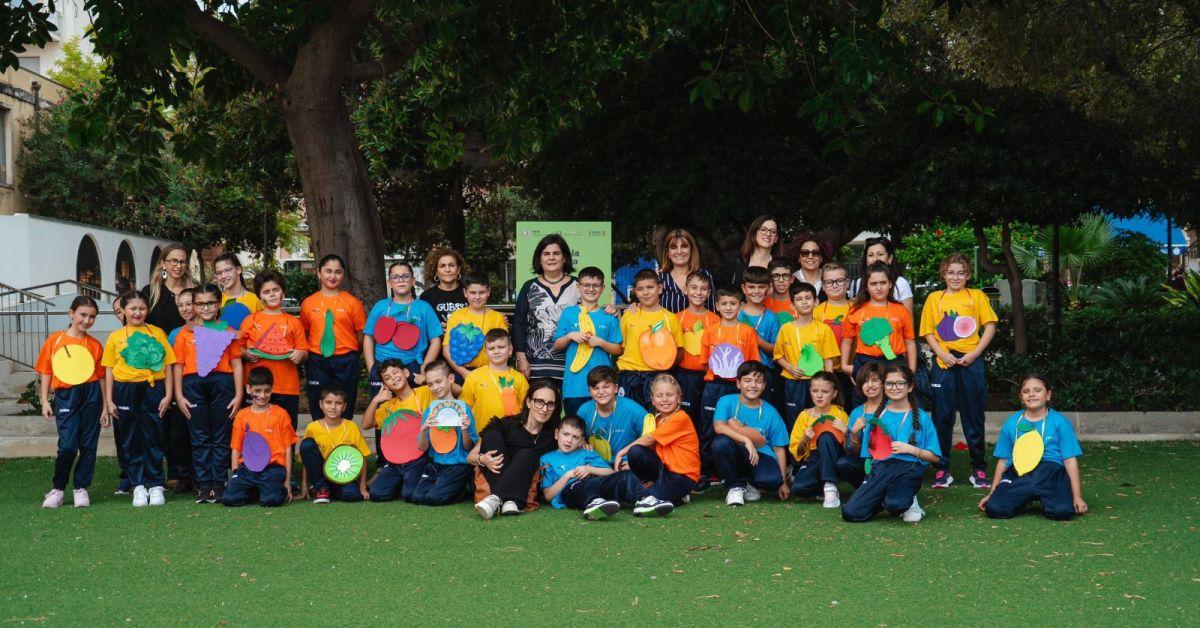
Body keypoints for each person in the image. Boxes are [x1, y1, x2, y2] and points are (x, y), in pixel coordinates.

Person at [920, 252, 999, 490]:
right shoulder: (934, 298)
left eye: (961, 273)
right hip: (944, 364)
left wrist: (974, 354)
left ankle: (979, 469)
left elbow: (990, 326)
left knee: (973, 416)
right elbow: (928, 332)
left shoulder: (977, 296)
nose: (955, 277)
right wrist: (942, 354)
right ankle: (942, 469)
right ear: (944, 274)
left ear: (968, 275)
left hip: (971, 362)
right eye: (951, 272)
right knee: (942, 417)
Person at [102, 290, 177, 507]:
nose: (137, 312)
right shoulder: (115, 337)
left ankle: (155, 484)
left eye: (142, 308)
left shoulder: (158, 333)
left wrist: (169, 394)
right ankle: (138, 485)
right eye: (132, 308)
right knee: (130, 438)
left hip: (154, 389)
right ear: (123, 311)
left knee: (153, 435)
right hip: (124, 389)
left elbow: (169, 365)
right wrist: (109, 400)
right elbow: (108, 370)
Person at [841, 365, 941, 523]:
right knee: (850, 513)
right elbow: (867, 455)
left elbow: (935, 457)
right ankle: (885, 497)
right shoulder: (876, 417)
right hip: (881, 468)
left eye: (900, 383)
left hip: (909, 468)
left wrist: (913, 450)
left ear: (910, 387)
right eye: (889, 383)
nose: (894, 387)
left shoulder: (921, 417)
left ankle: (907, 499)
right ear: (884, 386)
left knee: (896, 505)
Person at [979, 374, 1087, 521]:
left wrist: (1077, 497)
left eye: (1037, 390)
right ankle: (1025, 500)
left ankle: (1045, 499)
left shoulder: (1060, 422)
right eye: (1026, 391)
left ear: (1048, 395)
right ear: (1021, 397)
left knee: (1063, 512)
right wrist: (992, 493)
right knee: (994, 508)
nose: (1031, 394)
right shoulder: (1012, 423)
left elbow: (1069, 460)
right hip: (1019, 471)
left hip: (1051, 472)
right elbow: (1003, 461)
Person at [173, 284, 244, 504]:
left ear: (218, 304)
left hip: (222, 384)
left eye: (211, 303)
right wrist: (178, 395)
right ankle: (203, 485)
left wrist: (239, 394)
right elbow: (178, 366)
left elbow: (237, 364)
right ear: (194, 306)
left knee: (221, 436)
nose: (206, 307)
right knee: (200, 437)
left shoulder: (228, 331)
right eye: (201, 303)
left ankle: (218, 483)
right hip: (193, 385)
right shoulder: (185, 334)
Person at [37, 296, 107, 508]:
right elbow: (46, 371)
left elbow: (102, 376)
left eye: (92, 317)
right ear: (71, 313)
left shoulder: (94, 345)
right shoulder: (55, 340)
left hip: (91, 394)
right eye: (83, 315)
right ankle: (58, 489)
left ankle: (80, 487)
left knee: (88, 444)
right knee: (68, 445)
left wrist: (104, 406)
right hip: (66, 395)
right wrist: (44, 400)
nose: (87, 320)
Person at [471, 380, 561, 519]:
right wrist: (482, 459)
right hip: (496, 475)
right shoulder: (507, 424)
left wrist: (584, 443)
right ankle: (509, 501)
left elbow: (572, 439)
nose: (544, 409)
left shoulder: (554, 435)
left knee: (527, 454)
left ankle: (495, 498)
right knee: (492, 435)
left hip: (526, 485)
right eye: (539, 402)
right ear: (528, 402)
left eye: (550, 404)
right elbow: (470, 457)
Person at [613, 374, 699, 516]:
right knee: (636, 452)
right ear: (652, 400)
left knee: (641, 498)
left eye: (670, 395)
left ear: (678, 398)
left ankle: (665, 495)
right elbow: (648, 450)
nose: (664, 399)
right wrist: (632, 463)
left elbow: (649, 439)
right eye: (659, 396)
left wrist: (622, 452)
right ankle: (667, 495)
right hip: (663, 471)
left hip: (683, 476)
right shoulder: (657, 419)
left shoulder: (681, 417)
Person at [698, 286, 760, 485]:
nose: (728, 307)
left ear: (740, 306)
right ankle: (708, 470)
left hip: (737, 387)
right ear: (716, 306)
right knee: (709, 426)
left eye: (733, 304)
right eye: (724, 303)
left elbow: (752, 363)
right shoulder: (710, 332)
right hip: (714, 386)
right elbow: (705, 362)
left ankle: (740, 468)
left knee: (737, 425)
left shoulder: (748, 332)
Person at [711, 361, 789, 507]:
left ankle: (748, 484)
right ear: (738, 383)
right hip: (737, 450)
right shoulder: (726, 401)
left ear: (764, 385)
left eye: (758, 381)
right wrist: (746, 440)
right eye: (747, 380)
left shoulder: (771, 412)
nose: (753, 385)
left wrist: (783, 482)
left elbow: (779, 449)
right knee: (720, 443)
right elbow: (719, 426)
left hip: (761, 455)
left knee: (772, 481)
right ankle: (734, 487)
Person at [540, 415, 647, 520]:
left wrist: (590, 469)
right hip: (570, 492)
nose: (569, 440)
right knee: (580, 484)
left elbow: (610, 473)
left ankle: (644, 500)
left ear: (581, 440)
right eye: (566, 434)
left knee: (625, 474)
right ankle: (594, 503)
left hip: (595, 485)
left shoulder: (587, 453)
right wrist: (568, 475)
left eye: (575, 437)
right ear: (556, 434)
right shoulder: (547, 459)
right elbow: (548, 495)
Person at [300, 254, 367, 420]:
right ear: (319, 273)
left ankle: (344, 441)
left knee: (345, 402)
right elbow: (305, 332)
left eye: (338, 272)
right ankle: (320, 438)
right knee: (317, 402)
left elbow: (361, 335)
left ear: (343, 275)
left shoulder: (353, 303)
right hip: (317, 360)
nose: (332, 276)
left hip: (346, 360)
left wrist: (351, 355)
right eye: (328, 271)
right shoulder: (308, 303)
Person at [841, 262, 917, 406]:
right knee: (863, 404)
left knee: (895, 404)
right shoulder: (856, 310)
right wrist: (845, 365)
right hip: (864, 362)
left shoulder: (900, 310)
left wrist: (911, 370)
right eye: (874, 283)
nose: (879, 287)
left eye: (883, 282)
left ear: (890, 284)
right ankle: (865, 429)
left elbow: (910, 341)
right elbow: (847, 340)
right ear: (867, 287)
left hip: (894, 362)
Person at [240, 270, 308, 426]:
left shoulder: (294, 322)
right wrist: (246, 354)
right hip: (256, 388)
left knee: (286, 432)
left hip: (287, 388)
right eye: (266, 291)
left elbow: (304, 352)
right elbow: (238, 350)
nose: (272, 294)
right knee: (256, 431)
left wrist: (300, 354)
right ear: (259, 296)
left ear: (283, 292)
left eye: (275, 290)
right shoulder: (250, 321)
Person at [365, 261, 443, 396]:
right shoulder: (380, 307)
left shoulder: (424, 308)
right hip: (381, 367)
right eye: (395, 277)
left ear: (413, 281)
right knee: (383, 412)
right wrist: (372, 368)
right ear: (390, 282)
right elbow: (368, 337)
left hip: (411, 366)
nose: (401, 280)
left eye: (405, 276)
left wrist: (424, 368)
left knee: (413, 412)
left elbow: (436, 340)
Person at [221, 368, 297, 507]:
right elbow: (236, 447)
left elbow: (288, 448)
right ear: (249, 389)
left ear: (272, 389)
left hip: (273, 469)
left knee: (272, 500)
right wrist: (235, 474)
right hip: (247, 469)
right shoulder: (242, 415)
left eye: (267, 391)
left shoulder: (281, 414)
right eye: (257, 391)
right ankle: (256, 490)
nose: (262, 395)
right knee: (229, 499)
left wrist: (287, 481)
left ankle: (266, 491)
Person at [552, 267, 622, 416]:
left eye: (596, 286)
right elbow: (557, 344)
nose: (591, 289)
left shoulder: (609, 315)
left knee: (601, 431)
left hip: (603, 386)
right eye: (586, 285)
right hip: (574, 386)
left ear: (602, 289)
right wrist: (570, 336)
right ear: (578, 287)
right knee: (575, 428)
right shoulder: (569, 313)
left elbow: (618, 349)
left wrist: (601, 342)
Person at [364, 359, 434, 502]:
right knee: (377, 494)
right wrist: (376, 400)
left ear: (406, 372)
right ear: (385, 385)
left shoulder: (425, 392)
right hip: (396, 460)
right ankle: (402, 481)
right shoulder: (389, 406)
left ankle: (414, 481)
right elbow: (366, 424)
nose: (393, 378)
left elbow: (455, 389)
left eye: (395, 372)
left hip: (420, 456)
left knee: (409, 495)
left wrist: (427, 380)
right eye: (387, 378)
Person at [513, 234, 580, 383]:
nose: (551, 258)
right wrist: (521, 358)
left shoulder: (579, 286)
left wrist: (610, 309)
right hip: (535, 365)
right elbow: (519, 324)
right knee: (540, 405)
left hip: (573, 363)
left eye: (556, 253)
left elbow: (592, 313)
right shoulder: (530, 287)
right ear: (540, 259)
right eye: (546, 254)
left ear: (564, 258)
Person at [773, 282, 839, 429]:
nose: (804, 302)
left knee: (819, 417)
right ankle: (796, 449)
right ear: (792, 305)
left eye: (808, 298)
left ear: (816, 301)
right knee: (794, 418)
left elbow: (829, 360)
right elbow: (778, 356)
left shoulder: (824, 329)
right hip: (794, 382)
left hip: (817, 384)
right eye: (799, 299)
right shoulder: (786, 329)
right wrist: (790, 367)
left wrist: (827, 382)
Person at [412, 361, 477, 505]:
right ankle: (447, 485)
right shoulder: (429, 411)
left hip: (458, 465)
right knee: (417, 497)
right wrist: (423, 430)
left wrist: (464, 429)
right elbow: (423, 447)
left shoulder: (464, 410)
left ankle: (463, 489)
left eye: (438, 381)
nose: (435, 387)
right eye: (430, 384)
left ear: (451, 379)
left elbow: (468, 447)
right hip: (435, 463)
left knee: (433, 498)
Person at [616, 269, 683, 409]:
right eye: (640, 289)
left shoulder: (670, 318)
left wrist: (663, 361)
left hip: (657, 377)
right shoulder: (629, 315)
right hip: (629, 375)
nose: (645, 293)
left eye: (650, 287)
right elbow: (621, 348)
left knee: (654, 419)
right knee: (629, 418)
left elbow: (679, 352)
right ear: (635, 291)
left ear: (659, 288)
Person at [789, 372, 851, 508]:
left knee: (826, 437)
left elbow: (849, 450)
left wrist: (846, 432)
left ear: (834, 394)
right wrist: (804, 440)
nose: (819, 395)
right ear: (810, 391)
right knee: (799, 488)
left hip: (835, 455)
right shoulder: (804, 415)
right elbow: (797, 453)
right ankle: (824, 489)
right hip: (814, 458)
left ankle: (830, 485)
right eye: (815, 391)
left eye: (825, 391)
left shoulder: (840, 415)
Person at [299, 386, 371, 503]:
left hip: (343, 475)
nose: (333, 407)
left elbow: (362, 457)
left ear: (344, 407)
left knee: (352, 495)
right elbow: (307, 461)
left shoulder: (351, 426)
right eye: (328, 403)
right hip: (320, 472)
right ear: (321, 404)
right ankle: (321, 487)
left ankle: (325, 490)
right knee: (306, 444)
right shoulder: (312, 427)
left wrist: (362, 488)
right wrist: (304, 486)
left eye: (338, 403)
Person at [674, 271, 720, 430]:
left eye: (703, 289)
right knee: (685, 417)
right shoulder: (676, 318)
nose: (698, 292)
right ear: (685, 290)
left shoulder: (715, 320)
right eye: (694, 288)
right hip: (684, 376)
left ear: (708, 293)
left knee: (707, 418)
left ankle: (705, 453)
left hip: (708, 376)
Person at [443, 271, 508, 382]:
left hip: (492, 372)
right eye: (473, 293)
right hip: (463, 372)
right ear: (465, 292)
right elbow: (446, 349)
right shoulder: (456, 316)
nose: (477, 297)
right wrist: (464, 372)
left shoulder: (497, 317)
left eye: (482, 292)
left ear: (488, 292)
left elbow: (503, 348)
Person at [460, 328, 529, 432]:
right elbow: (465, 408)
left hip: (511, 436)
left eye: (501, 347)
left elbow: (525, 411)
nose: (496, 351)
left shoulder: (520, 379)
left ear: (510, 350)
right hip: (480, 437)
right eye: (491, 348)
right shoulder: (474, 376)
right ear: (485, 352)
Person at [575, 366, 647, 465]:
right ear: (589, 391)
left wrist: (635, 462)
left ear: (616, 388)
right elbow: (575, 436)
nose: (601, 392)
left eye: (606, 387)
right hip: (594, 466)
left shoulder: (634, 410)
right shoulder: (583, 411)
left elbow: (650, 438)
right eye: (595, 388)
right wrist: (581, 441)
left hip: (624, 465)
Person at [162, 287, 196, 494]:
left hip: (202, 389)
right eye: (180, 305)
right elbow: (171, 367)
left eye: (189, 303)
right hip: (180, 391)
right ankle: (183, 476)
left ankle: (201, 475)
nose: (185, 308)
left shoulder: (213, 329)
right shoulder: (175, 334)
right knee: (178, 435)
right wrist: (174, 394)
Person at [739, 266, 783, 409]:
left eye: (761, 287)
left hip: (764, 373)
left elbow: (776, 350)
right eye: (751, 287)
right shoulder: (735, 313)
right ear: (744, 288)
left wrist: (755, 339)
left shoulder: (771, 317)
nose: (756, 291)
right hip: (738, 372)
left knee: (763, 409)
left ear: (768, 289)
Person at [842, 362, 888, 490]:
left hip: (888, 461)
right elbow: (855, 452)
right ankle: (862, 488)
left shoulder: (893, 408)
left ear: (883, 384)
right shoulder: (857, 412)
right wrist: (854, 433)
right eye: (865, 381)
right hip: (866, 462)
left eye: (875, 380)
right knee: (844, 463)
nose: (870, 385)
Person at [813, 262, 853, 400]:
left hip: (851, 370)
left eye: (839, 281)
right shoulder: (816, 312)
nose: (835, 285)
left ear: (847, 283)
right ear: (823, 286)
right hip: (824, 371)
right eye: (829, 282)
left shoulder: (857, 309)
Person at [849, 236, 914, 316]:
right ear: (866, 260)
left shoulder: (900, 283)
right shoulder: (857, 284)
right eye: (870, 255)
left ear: (889, 258)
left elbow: (908, 322)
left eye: (880, 254)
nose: (875, 259)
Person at [143, 243, 198, 337]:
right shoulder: (150, 292)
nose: (179, 266)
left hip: (191, 348)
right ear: (163, 263)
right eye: (174, 261)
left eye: (182, 262)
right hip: (160, 349)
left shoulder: (196, 290)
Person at [658, 228, 716, 313]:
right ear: (668, 253)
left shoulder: (704, 275)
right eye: (674, 247)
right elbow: (648, 308)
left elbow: (713, 309)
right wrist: (635, 306)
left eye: (684, 246)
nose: (679, 251)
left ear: (691, 250)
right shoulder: (660, 279)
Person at [724, 215, 781, 288]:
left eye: (773, 232)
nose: (768, 234)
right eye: (763, 230)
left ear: (776, 238)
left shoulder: (781, 266)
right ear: (754, 233)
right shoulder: (736, 262)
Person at [420, 247, 469, 326]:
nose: (447, 270)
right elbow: (423, 325)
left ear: (459, 269)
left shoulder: (469, 293)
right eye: (442, 266)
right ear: (436, 271)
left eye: (451, 265)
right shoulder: (426, 297)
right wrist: (436, 329)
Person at [213, 253, 262, 321]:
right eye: (218, 273)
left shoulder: (256, 300)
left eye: (227, 270)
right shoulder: (215, 301)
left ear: (238, 270)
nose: (223, 276)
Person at [787, 233, 830, 299]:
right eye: (805, 253)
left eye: (815, 253)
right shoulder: (789, 281)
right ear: (798, 257)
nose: (810, 256)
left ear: (821, 257)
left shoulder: (831, 279)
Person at [765, 257, 796, 324]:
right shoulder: (761, 303)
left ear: (792, 279)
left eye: (785, 275)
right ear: (770, 278)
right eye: (776, 276)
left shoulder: (800, 302)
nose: (781, 280)